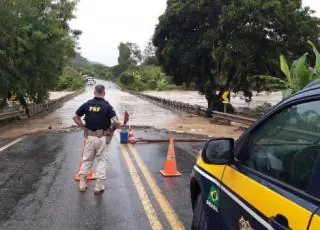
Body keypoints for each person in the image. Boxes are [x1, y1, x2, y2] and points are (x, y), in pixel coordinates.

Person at [73, 84, 120, 193]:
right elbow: (116, 122)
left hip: (89, 137)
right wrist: (112, 130)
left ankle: (82, 184)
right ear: (104, 93)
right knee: (101, 160)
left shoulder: (87, 104)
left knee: (87, 159)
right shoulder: (107, 106)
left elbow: (75, 117)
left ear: (94, 92)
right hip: (102, 138)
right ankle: (98, 187)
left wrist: (83, 127)